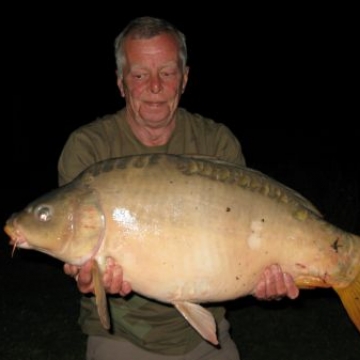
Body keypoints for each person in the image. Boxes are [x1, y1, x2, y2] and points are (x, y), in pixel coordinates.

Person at [58, 16, 299, 360]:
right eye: (140, 75)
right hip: (122, 340)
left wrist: (270, 280)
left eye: (167, 73)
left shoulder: (216, 142)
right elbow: (81, 258)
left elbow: (248, 246)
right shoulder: (88, 148)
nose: (155, 87)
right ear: (121, 82)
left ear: (184, 78)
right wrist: (86, 279)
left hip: (206, 339)